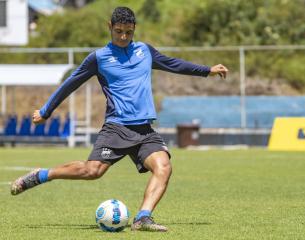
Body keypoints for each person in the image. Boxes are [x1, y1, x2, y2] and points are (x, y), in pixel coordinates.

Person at [10, 6, 228, 232]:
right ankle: (42, 175)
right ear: (110, 27)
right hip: (117, 128)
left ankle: (143, 217)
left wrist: (206, 70)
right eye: (119, 32)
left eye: (128, 32)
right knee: (92, 172)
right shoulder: (98, 58)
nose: (123, 37)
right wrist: (46, 111)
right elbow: (71, 83)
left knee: (164, 167)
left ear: (134, 29)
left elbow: (173, 64)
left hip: (144, 129)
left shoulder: (145, 51)